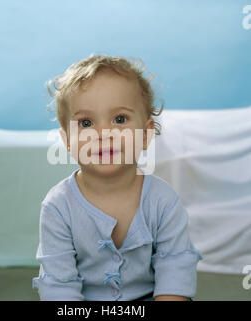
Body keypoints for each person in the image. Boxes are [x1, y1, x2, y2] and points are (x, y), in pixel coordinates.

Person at [32, 54, 204, 301]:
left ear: (146, 134)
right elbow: (59, 286)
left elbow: (175, 269)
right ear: (67, 141)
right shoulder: (58, 206)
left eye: (119, 119)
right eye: (86, 122)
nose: (103, 133)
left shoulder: (163, 201)